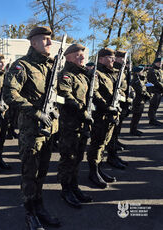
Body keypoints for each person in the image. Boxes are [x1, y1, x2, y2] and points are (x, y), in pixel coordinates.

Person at [3, 26, 60, 230]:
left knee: (43, 172)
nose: (49, 43)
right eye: (45, 39)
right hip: (31, 131)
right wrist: (37, 113)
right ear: (33, 42)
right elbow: (10, 95)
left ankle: (40, 206)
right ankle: (30, 212)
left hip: (49, 128)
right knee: (30, 174)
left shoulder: (50, 67)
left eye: (49, 39)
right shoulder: (22, 66)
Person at [57, 44, 94, 209]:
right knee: (68, 159)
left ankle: (74, 186)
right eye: (78, 55)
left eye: (82, 55)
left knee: (78, 158)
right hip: (70, 126)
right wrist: (82, 112)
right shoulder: (66, 75)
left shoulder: (83, 75)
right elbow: (66, 96)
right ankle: (66, 190)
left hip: (82, 125)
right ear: (69, 56)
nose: (82, 57)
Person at [87, 48, 121, 189]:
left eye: (113, 57)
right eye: (109, 57)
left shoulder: (114, 74)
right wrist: (106, 106)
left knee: (104, 144)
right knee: (97, 144)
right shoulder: (97, 74)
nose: (113, 59)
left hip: (111, 114)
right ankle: (93, 172)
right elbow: (93, 92)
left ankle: (99, 168)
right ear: (101, 59)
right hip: (101, 115)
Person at [105, 50, 129, 170]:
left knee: (115, 133)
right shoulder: (112, 71)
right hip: (109, 108)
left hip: (120, 105)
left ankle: (113, 155)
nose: (124, 60)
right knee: (109, 135)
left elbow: (124, 87)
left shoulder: (121, 70)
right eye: (122, 58)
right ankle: (111, 156)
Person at [130, 66, 151, 136]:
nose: (143, 72)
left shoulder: (140, 79)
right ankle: (133, 130)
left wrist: (150, 85)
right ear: (138, 72)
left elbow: (145, 84)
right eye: (141, 71)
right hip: (137, 101)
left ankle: (134, 129)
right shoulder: (136, 80)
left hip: (141, 100)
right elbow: (141, 91)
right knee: (136, 116)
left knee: (138, 116)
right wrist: (149, 95)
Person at [147, 57, 163, 126]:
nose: (160, 64)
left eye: (161, 62)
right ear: (155, 63)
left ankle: (153, 119)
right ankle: (152, 120)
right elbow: (156, 82)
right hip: (154, 91)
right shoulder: (152, 70)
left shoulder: (160, 71)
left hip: (159, 91)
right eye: (159, 62)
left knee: (156, 106)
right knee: (153, 106)